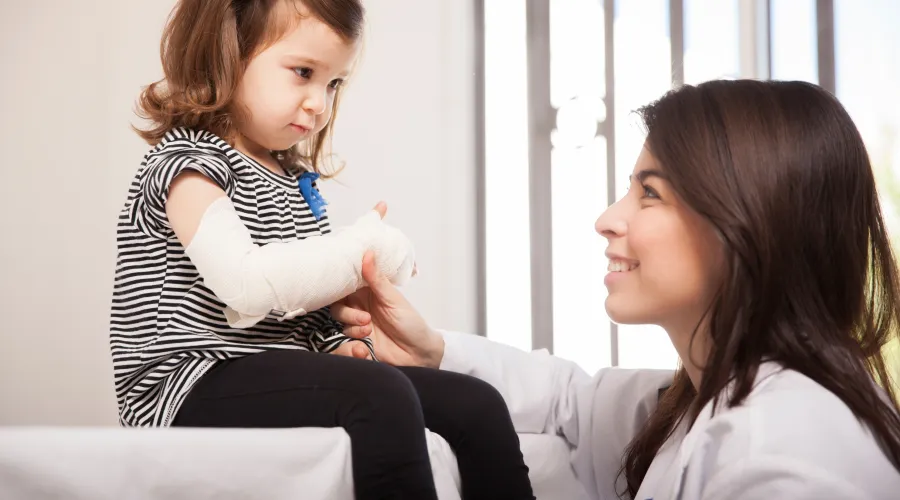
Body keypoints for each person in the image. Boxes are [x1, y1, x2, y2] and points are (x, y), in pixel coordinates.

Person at [335, 79, 900, 499]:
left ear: (747, 221)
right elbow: (567, 405)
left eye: (649, 193)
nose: (607, 218)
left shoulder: (785, 453)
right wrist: (433, 351)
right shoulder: (703, 401)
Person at [108, 0, 534, 498]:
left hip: (263, 368)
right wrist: (358, 249)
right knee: (380, 395)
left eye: (333, 83)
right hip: (185, 381)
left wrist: (335, 341)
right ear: (228, 54)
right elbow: (246, 287)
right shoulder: (189, 164)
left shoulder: (293, 182)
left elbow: (302, 310)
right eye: (303, 72)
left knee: (476, 403)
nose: (319, 102)